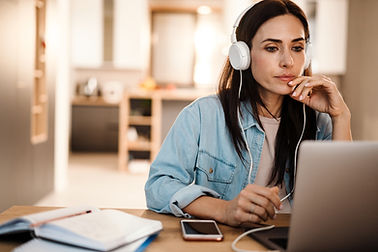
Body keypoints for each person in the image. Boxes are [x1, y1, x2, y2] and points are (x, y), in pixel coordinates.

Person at [144, 0, 352, 227]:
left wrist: (341, 116)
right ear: (242, 55)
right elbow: (159, 186)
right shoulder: (203, 115)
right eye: (272, 48)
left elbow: (343, 204)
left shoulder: (319, 121)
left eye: (297, 48)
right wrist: (224, 210)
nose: (288, 61)